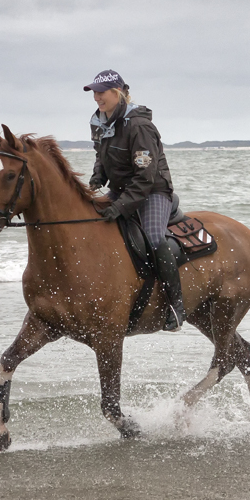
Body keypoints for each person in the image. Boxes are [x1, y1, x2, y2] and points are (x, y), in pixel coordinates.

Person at [85, 69, 184, 332]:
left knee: (154, 237)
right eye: (94, 92)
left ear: (117, 93)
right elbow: (101, 154)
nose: (96, 97)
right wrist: (98, 177)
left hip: (153, 190)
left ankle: (176, 305)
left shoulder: (139, 126)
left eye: (101, 92)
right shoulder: (98, 121)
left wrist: (119, 206)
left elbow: (145, 176)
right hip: (121, 189)